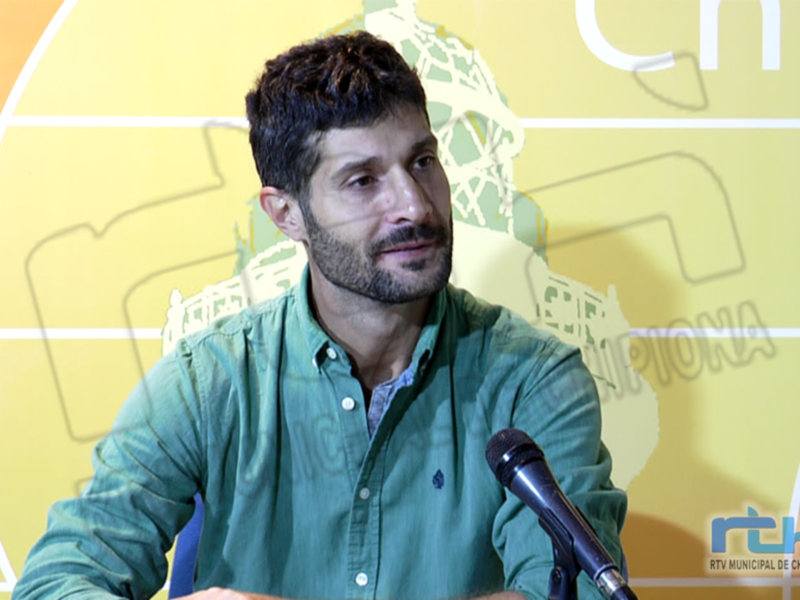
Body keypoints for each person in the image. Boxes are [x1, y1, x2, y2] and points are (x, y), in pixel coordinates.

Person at [13, 31, 627, 600]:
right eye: (362, 181)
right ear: (286, 215)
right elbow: (60, 579)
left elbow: (565, 592)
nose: (414, 205)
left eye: (422, 161)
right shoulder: (211, 379)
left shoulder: (535, 378)